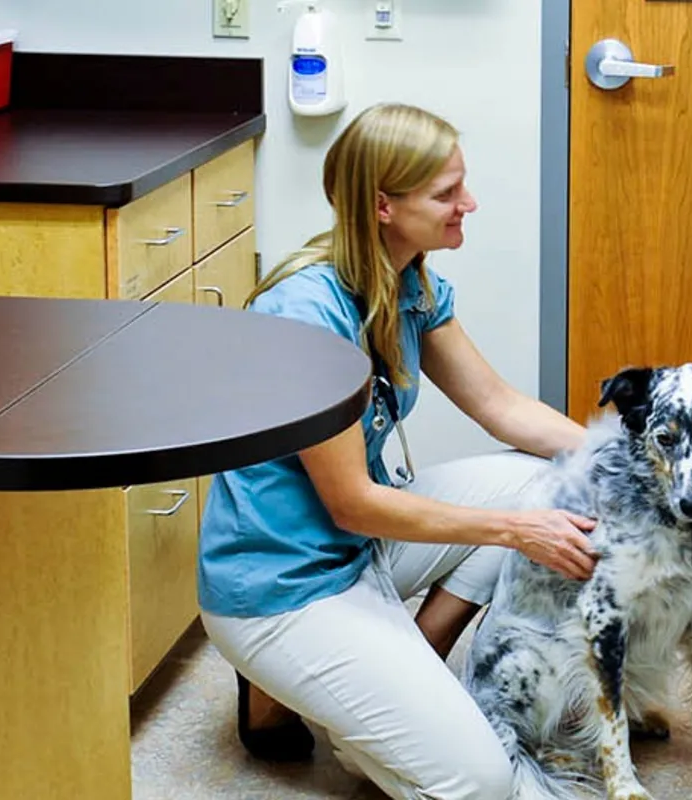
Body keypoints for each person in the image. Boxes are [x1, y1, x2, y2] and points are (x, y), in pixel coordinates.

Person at [198, 102, 598, 800]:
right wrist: (512, 532)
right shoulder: (307, 317)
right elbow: (352, 503)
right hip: (284, 588)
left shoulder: (411, 282)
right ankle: (332, 697)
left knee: (544, 484)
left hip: (353, 552)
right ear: (383, 205)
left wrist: (624, 462)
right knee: (479, 784)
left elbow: (502, 408)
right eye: (447, 194)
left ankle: (411, 675)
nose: (467, 204)